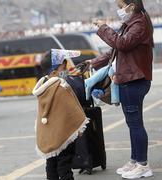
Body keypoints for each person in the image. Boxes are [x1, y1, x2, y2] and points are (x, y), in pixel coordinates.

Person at [87, 0, 154, 178]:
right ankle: (135, 160)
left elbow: (121, 44)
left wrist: (103, 28)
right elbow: (117, 51)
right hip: (130, 78)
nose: (119, 10)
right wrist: (92, 62)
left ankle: (142, 164)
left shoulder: (138, 23)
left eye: (120, 6)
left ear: (131, 5)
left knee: (135, 124)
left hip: (134, 79)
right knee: (133, 124)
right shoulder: (132, 23)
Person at [33, 49, 88, 180]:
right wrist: (78, 128)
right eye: (63, 67)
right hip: (64, 134)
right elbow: (71, 109)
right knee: (65, 165)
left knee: (51, 163)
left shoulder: (43, 88)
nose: (66, 70)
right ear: (53, 71)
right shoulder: (61, 86)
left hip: (50, 134)